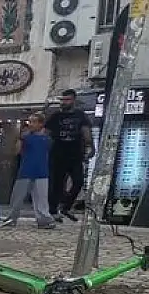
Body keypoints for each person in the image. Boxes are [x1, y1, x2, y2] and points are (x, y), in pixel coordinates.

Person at [0, 113, 55, 229]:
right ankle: (11, 218)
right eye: (30, 122)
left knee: (41, 199)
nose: (31, 124)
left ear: (40, 124)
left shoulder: (47, 139)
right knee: (17, 197)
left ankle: (44, 220)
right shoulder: (25, 138)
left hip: (41, 172)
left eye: (34, 122)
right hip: (26, 171)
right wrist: (20, 137)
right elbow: (16, 151)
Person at [45, 88, 95, 223]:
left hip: (75, 155)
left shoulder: (80, 115)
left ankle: (66, 207)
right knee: (56, 184)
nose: (64, 102)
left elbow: (86, 132)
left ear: (73, 100)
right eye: (63, 100)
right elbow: (47, 134)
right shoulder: (56, 116)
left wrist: (91, 146)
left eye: (67, 100)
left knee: (78, 181)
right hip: (58, 154)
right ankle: (53, 210)